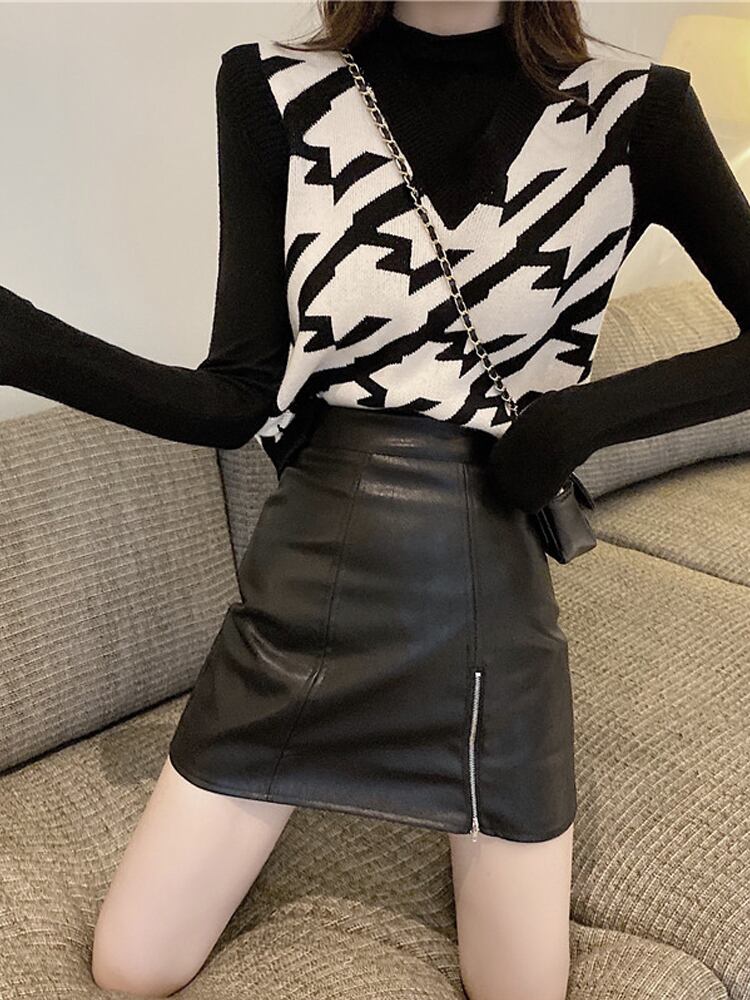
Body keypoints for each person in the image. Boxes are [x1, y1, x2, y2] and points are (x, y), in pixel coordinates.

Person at [2, 2, 749, 998]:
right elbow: (234, 396)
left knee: (520, 988)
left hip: (487, 596)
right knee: (133, 964)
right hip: (304, 589)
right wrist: (24, 338)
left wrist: (579, 423)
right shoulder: (273, 90)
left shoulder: (633, 112)